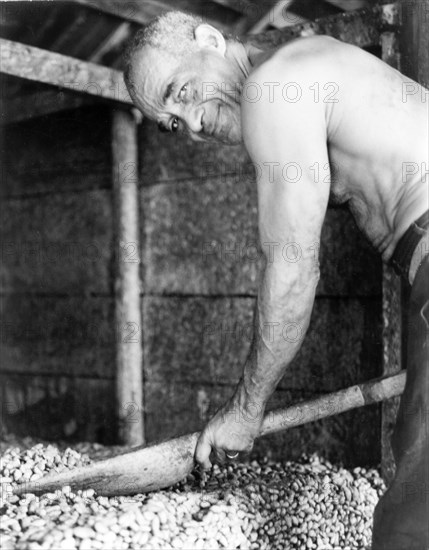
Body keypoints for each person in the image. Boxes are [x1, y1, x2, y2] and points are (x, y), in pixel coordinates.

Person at [123, 11, 429, 549]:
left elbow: (291, 270)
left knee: (414, 517)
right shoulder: (306, 68)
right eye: (173, 122)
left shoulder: (275, 87)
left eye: (183, 90)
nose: (192, 124)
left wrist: (245, 411)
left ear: (211, 39)